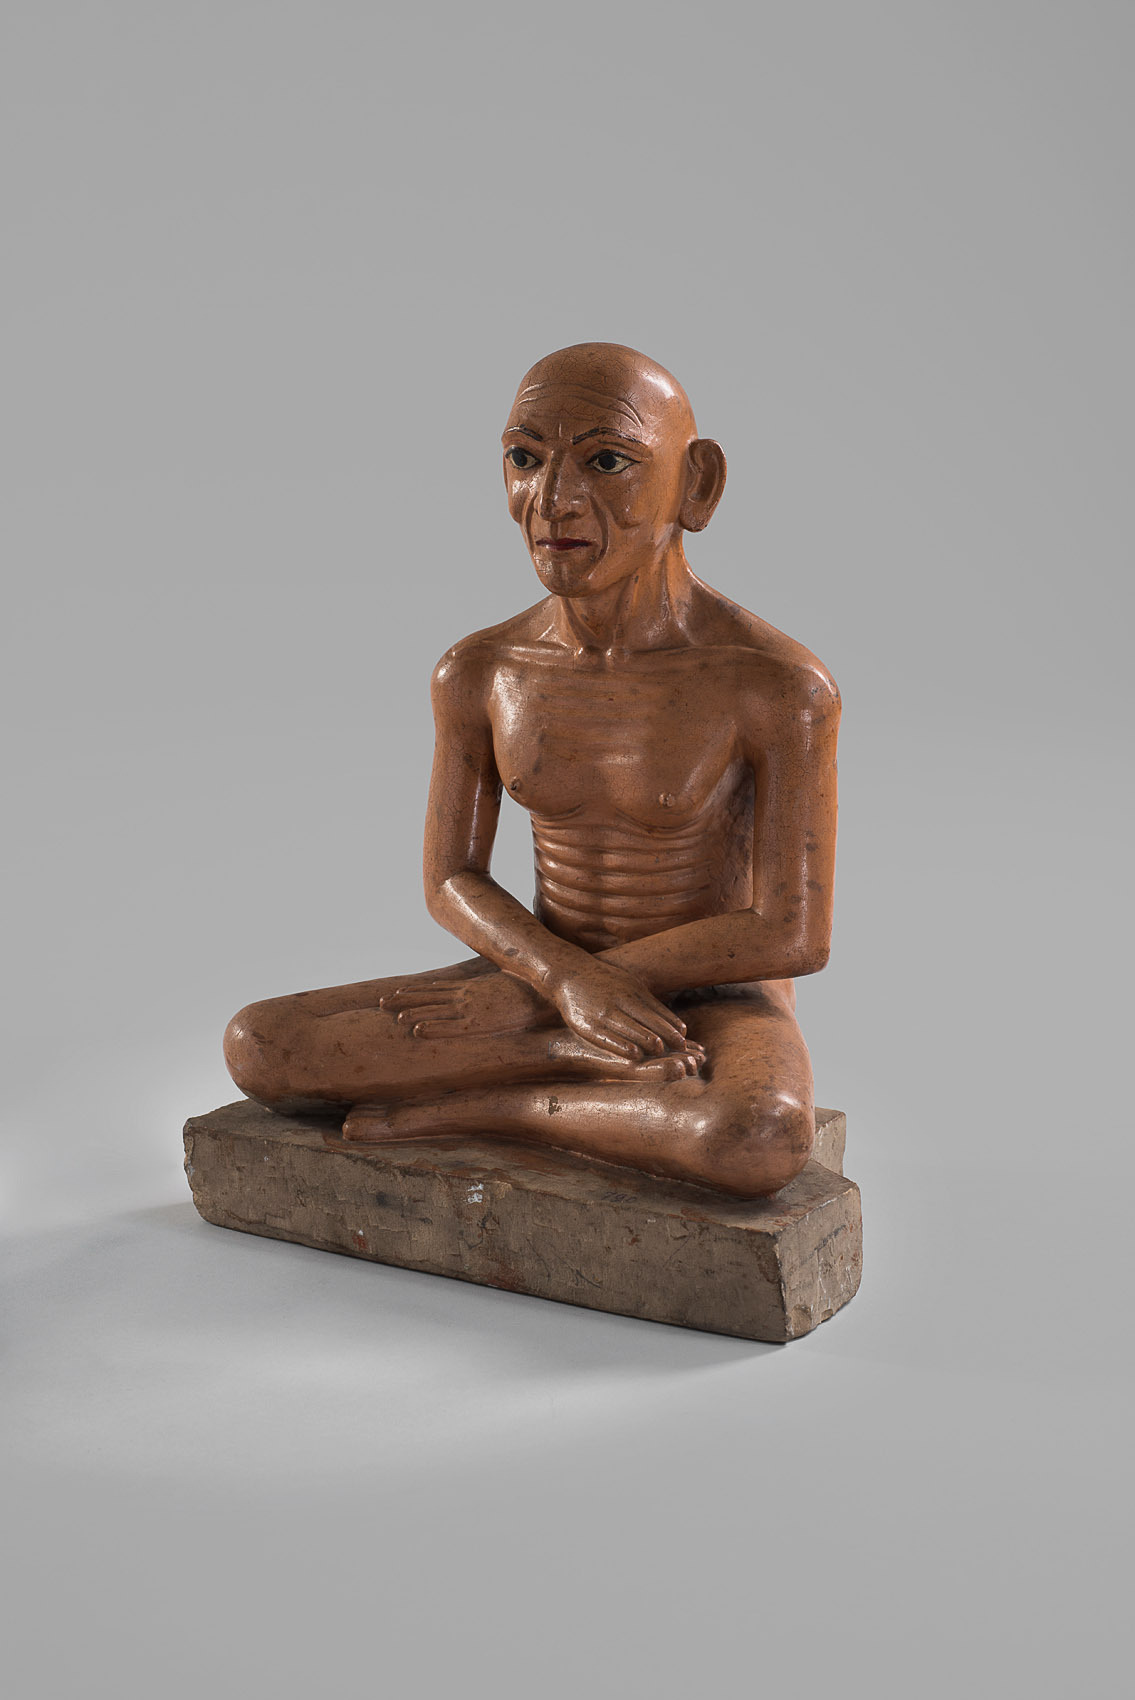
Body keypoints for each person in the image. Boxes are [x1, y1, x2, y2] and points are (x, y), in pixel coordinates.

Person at [224, 343, 839, 1198]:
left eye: (607, 461)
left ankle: (496, 1108)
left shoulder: (772, 684)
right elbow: (451, 878)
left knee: (757, 1135)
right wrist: (558, 982)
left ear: (695, 485)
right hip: (541, 980)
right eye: (524, 458)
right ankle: (569, 1065)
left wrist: (588, 986)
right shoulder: (482, 669)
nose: (553, 500)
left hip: (717, 999)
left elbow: (791, 933)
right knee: (261, 1045)